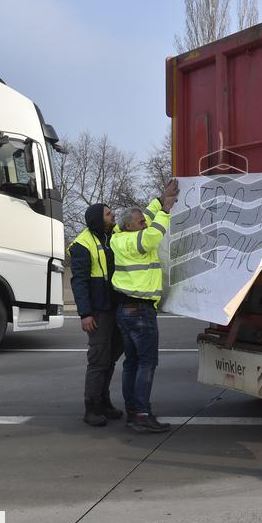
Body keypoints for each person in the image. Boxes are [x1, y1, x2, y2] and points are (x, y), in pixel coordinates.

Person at [111, 179, 178, 433]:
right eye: (140, 223)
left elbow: (146, 218)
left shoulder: (121, 236)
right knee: (146, 362)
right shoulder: (134, 241)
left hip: (127, 311)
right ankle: (141, 413)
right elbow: (152, 236)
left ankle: (133, 410)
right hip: (139, 311)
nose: (145, 224)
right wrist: (166, 210)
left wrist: (159, 201)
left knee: (132, 362)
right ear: (130, 227)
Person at [69, 203, 124, 427]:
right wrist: (85, 314)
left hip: (116, 306)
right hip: (99, 311)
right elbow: (79, 282)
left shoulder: (114, 234)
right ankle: (91, 407)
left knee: (110, 357)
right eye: (108, 213)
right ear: (97, 219)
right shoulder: (82, 244)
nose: (113, 215)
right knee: (99, 359)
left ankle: (104, 402)